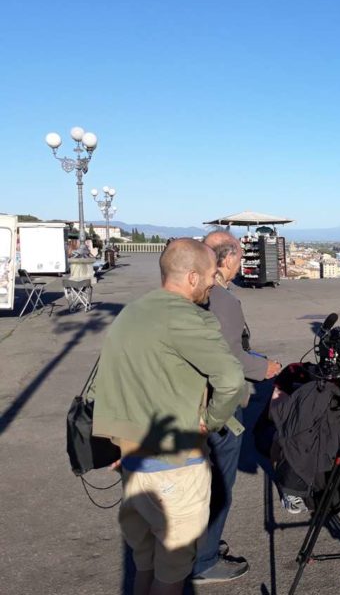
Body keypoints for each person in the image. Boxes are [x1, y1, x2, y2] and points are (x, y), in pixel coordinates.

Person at [91, 239, 247, 595]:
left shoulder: (132, 312)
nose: (214, 280)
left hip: (133, 466)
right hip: (175, 468)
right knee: (172, 574)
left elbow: (109, 382)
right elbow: (231, 378)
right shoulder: (188, 318)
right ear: (192, 277)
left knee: (144, 565)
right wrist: (213, 419)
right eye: (210, 274)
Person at [191, 230, 283, 583]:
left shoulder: (194, 293)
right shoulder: (223, 300)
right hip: (221, 404)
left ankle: (202, 545)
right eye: (239, 258)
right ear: (226, 259)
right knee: (218, 484)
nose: (240, 265)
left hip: (194, 399)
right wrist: (266, 368)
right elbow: (231, 359)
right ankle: (205, 560)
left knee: (200, 481)